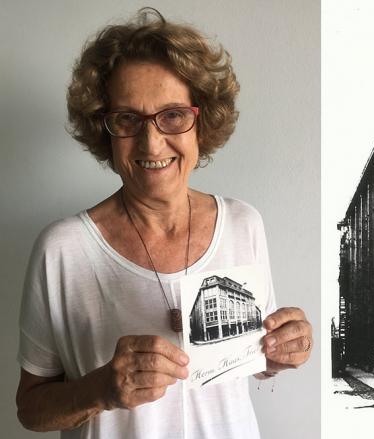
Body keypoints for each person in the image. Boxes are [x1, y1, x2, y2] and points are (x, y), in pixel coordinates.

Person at [15, 8, 312, 438]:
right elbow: (30, 409)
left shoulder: (244, 223)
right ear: (105, 130)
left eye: (172, 115)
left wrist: (281, 352)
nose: (152, 141)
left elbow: (249, 357)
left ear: (201, 122)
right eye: (127, 119)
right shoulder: (62, 249)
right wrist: (100, 391)